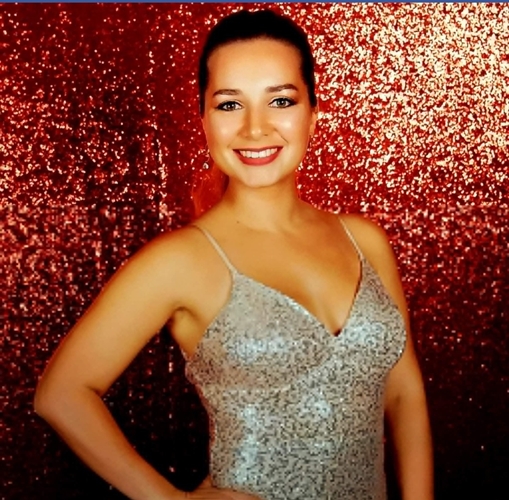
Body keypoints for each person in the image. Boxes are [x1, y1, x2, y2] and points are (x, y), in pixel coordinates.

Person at [34, 9, 433, 500]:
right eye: (229, 105)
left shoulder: (365, 241)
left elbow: (404, 391)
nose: (254, 128)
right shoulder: (181, 260)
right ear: (204, 119)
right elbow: (61, 394)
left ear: (313, 113)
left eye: (280, 100)